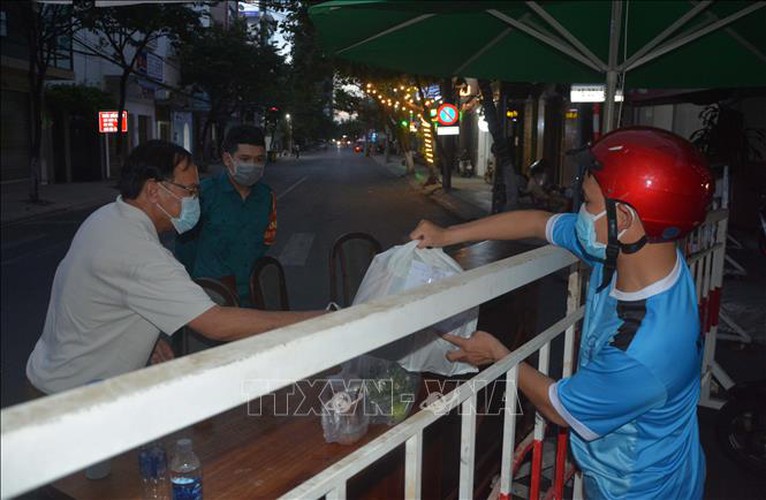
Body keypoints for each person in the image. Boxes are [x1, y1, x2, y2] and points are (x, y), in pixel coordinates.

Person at [410, 127, 712, 499]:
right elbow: (538, 222)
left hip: (639, 488)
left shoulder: (647, 348)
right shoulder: (634, 254)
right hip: (649, 462)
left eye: (586, 202)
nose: (579, 213)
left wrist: (499, 356)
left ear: (627, 220)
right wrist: (447, 235)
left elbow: (559, 408)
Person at [26, 140, 322, 396]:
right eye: (190, 191)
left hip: (50, 378)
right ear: (154, 190)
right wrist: (319, 320)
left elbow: (97, 295)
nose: (195, 200)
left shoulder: (107, 217)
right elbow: (215, 324)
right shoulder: (141, 253)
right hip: (75, 404)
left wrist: (148, 337)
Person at [175, 125, 276, 306]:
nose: (253, 165)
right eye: (245, 159)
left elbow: (265, 241)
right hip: (211, 296)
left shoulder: (266, 196)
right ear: (227, 159)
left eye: (259, 159)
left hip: (253, 295)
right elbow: (185, 247)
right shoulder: (204, 194)